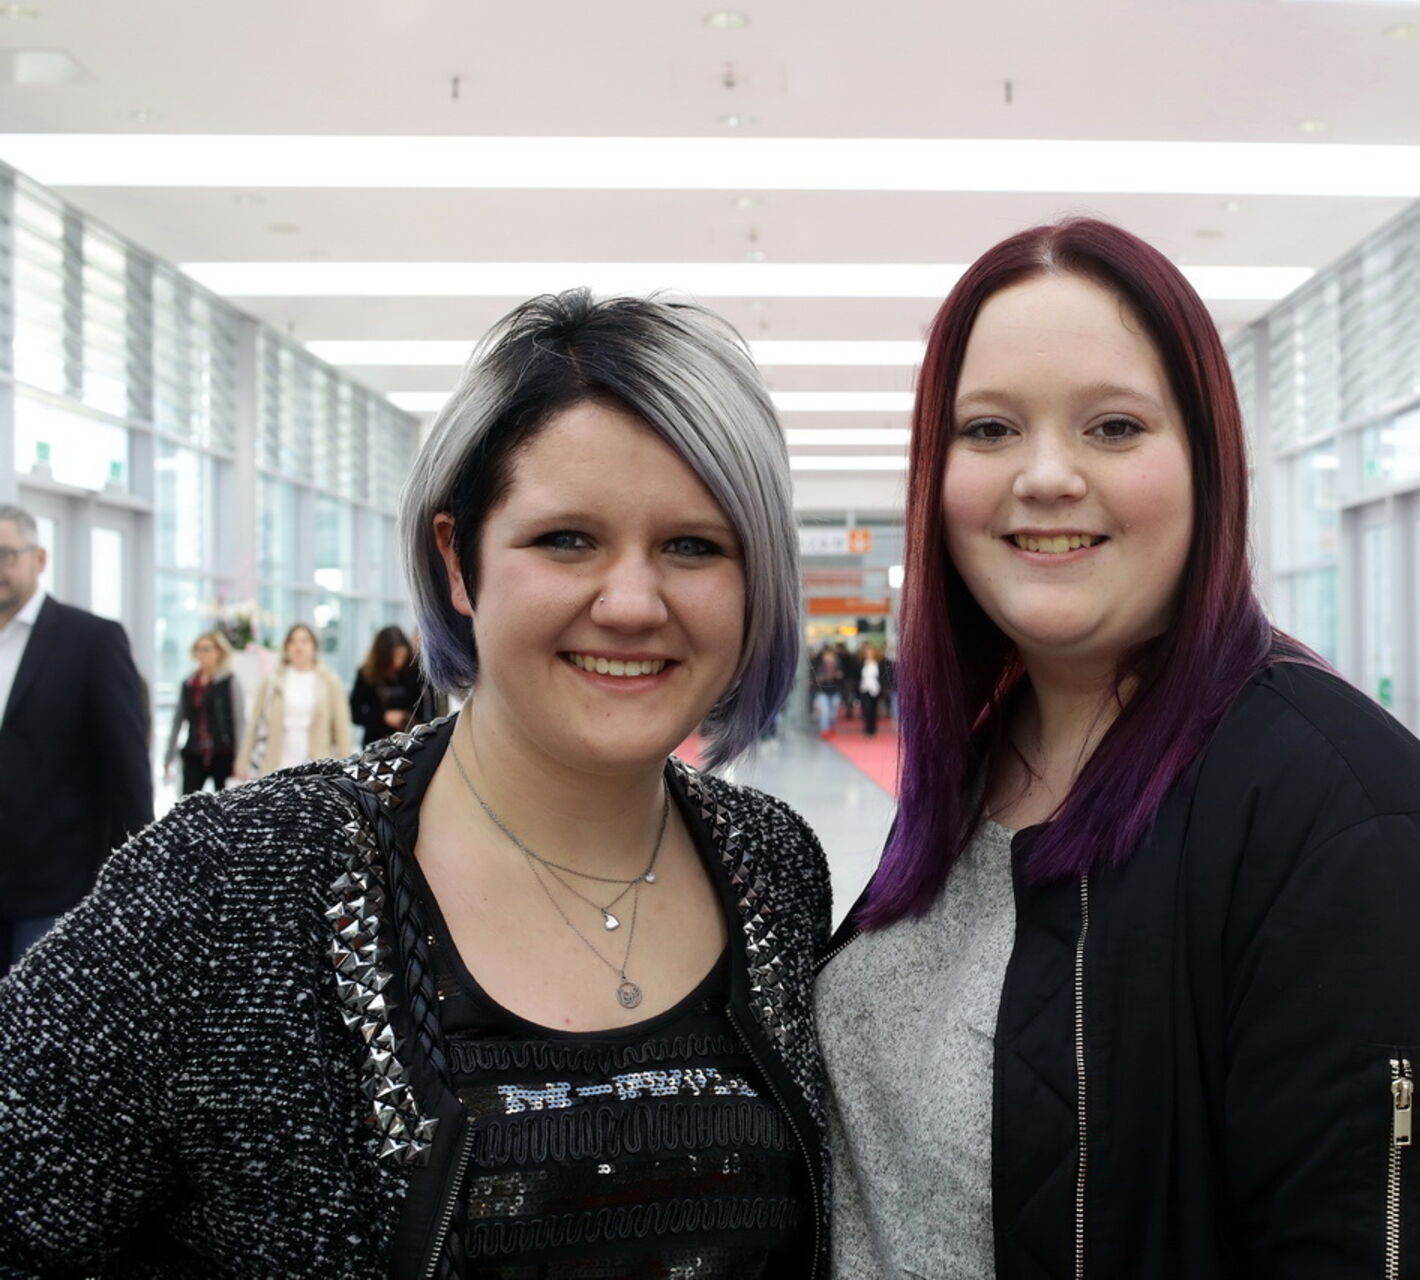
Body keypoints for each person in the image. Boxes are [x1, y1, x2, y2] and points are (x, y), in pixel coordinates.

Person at [0, 289, 832, 1276]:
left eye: (694, 545)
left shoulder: (773, 865)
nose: (631, 602)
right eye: (567, 539)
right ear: (457, 562)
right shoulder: (231, 881)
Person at [815, 219, 1420, 1277]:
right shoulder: (981, 769)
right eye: (990, 428)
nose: (1046, 475)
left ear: (1206, 462)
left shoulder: (1358, 835)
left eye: (1114, 426)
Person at [0, 504, 152, 974]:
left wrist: (141, 883)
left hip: (55, 892)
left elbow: (127, 771)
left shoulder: (90, 640)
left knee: (39, 1019)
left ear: (39, 558)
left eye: (5, 555)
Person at [243, 622, 354, 772]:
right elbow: (255, 722)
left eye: (304, 641)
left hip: (316, 761)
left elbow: (341, 728)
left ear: (314, 646)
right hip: (277, 760)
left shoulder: (329, 681)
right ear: (286, 647)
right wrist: (243, 760)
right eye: (293, 642)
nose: (298, 647)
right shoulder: (272, 680)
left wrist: (347, 766)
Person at [162, 630, 246, 795]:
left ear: (219, 652)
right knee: (188, 803)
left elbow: (239, 721)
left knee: (224, 803)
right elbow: (177, 721)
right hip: (194, 753)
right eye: (198, 649)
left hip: (223, 754)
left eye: (207, 649)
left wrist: (240, 759)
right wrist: (168, 756)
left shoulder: (229, 681)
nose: (202, 654)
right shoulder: (189, 683)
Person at [349, 623, 428, 746]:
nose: (397, 661)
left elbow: (426, 709)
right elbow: (355, 713)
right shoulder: (367, 674)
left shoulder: (415, 672)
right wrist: (383, 717)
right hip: (376, 742)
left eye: (401, 656)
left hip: (411, 740)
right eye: (392, 657)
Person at [810, 641, 840, 736]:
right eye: (827, 656)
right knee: (825, 712)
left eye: (830, 656)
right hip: (822, 691)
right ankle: (824, 730)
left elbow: (842, 677)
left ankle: (831, 728)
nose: (828, 658)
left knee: (833, 713)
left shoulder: (838, 665)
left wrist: (836, 675)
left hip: (835, 691)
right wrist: (822, 677)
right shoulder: (819, 666)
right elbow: (815, 678)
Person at [856, 642, 882, 736]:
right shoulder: (861, 664)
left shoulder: (878, 664)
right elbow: (857, 676)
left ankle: (872, 729)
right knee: (866, 709)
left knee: (873, 709)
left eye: (871, 652)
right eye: (867, 652)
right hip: (864, 688)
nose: (869, 654)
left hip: (875, 689)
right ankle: (867, 729)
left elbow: (881, 677)